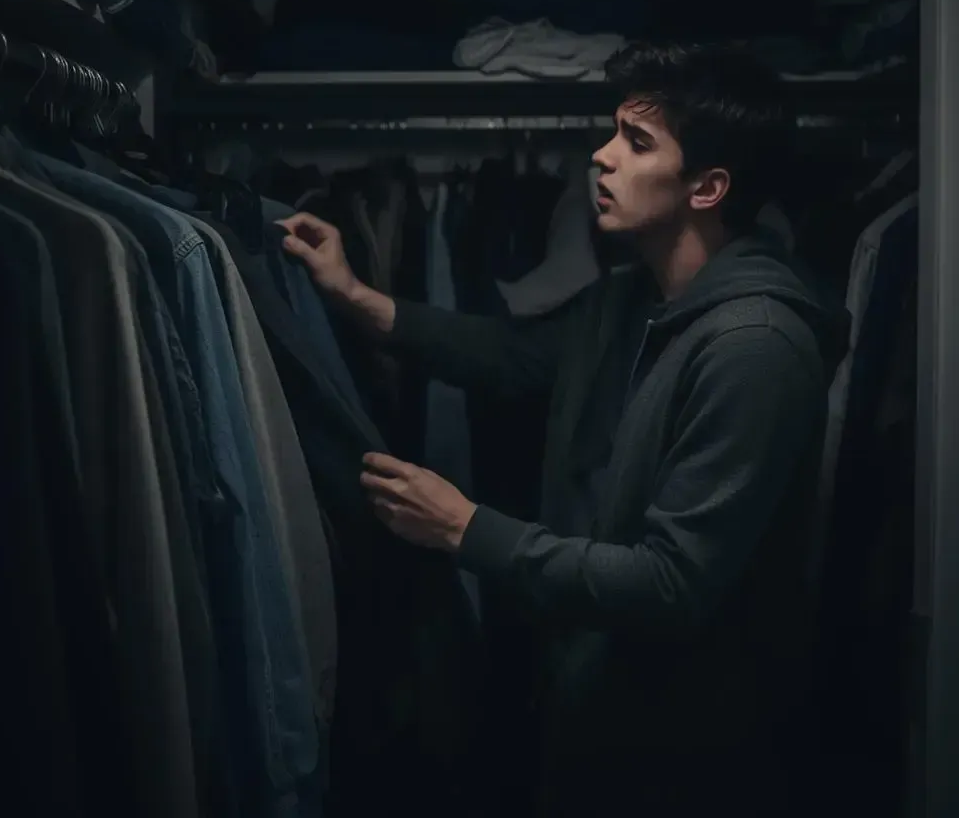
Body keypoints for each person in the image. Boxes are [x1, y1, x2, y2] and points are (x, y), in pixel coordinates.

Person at [277, 42, 851, 816]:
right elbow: (511, 356)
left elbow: (673, 584)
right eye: (613, 132)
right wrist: (353, 295)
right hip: (596, 715)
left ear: (709, 187)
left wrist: (466, 529)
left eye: (636, 142)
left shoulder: (756, 347)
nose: (602, 157)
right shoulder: (630, 299)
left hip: (687, 759)